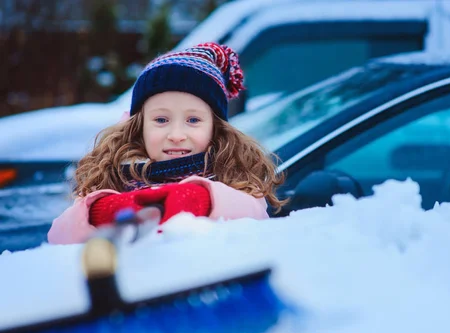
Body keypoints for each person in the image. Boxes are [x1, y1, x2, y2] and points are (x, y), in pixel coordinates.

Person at [48, 42, 284, 245]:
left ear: (216, 128)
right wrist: (99, 211)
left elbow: (255, 215)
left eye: (193, 120)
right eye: (161, 120)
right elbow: (57, 237)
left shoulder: (231, 175)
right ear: (139, 126)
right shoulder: (115, 174)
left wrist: (203, 199)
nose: (176, 134)